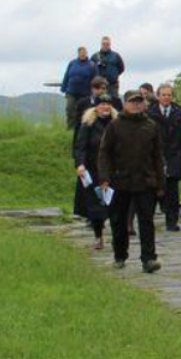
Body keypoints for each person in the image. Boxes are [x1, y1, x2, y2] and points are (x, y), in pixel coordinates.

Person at [98, 89, 165, 273]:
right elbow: (104, 153)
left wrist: (160, 183)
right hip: (120, 180)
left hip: (145, 181)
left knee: (146, 221)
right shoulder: (115, 125)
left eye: (139, 101)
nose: (136, 104)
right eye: (132, 101)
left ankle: (149, 259)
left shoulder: (151, 125)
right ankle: (120, 255)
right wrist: (104, 178)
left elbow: (158, 156)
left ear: (144, 104)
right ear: (125, 104)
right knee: (118, 221)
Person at [74, 94, 118, 250]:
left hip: (113, 170)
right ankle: (98, 236)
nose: (105, 107)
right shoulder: (88, 124)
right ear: (96, 107)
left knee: (114, 204)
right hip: (93, 170)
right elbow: (80, 147)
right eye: (102, 104)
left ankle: (117, 236)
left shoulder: (116, 124)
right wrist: (80, 164)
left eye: (108, 104)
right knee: (96, 206)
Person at [149, 83, 181, 231]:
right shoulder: (150, 113)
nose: (166, 97)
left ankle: (172, 222)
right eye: (163, 95)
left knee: (172, 191)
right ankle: (149, 221)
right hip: (155, 156)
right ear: (158, 96)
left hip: (174, 155)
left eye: (169, 95)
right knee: (155, 190)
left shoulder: (179, 113)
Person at [60, 47, 97, 129]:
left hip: (85, 93)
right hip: (71, 91)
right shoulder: (72, 63)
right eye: (81, 52)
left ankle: (82, 128)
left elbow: (95, 78)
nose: (83, 54)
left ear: (86, 53)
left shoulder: (92, 64)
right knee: (70, 109)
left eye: (84, 52)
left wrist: (94, 91)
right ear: (78, 53)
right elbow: (66, 76)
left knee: (83, 111)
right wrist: (63, 88)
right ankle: (70, 127)